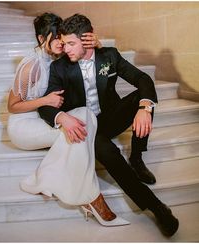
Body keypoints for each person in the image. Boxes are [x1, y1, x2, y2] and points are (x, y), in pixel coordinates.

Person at [38, 14, 179, 237]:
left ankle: (137, 157)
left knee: (142, 99)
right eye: (64, 44)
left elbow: (143, 79)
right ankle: (156, 207)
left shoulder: (109, 56)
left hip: (110, 116)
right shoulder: (60, 68)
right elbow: (46, 106)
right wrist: (62, 118)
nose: (66, 49)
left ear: (87, 39)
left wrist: (145, 108)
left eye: (71, 43)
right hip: (88, 128)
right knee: (108, 152)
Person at [7, 12, 129, 227]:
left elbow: (86, 60)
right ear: (41, 39)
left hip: (42, 119)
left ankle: (44, 176)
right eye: (56, 39)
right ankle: (91, 198)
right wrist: (44, 101)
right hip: (24, 126)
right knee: (83, 127)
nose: (62, 44)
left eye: (63, 40)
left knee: (84, 117)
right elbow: (13, 106)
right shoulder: (31, 66)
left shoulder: (55, 60)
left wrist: (96, 46)